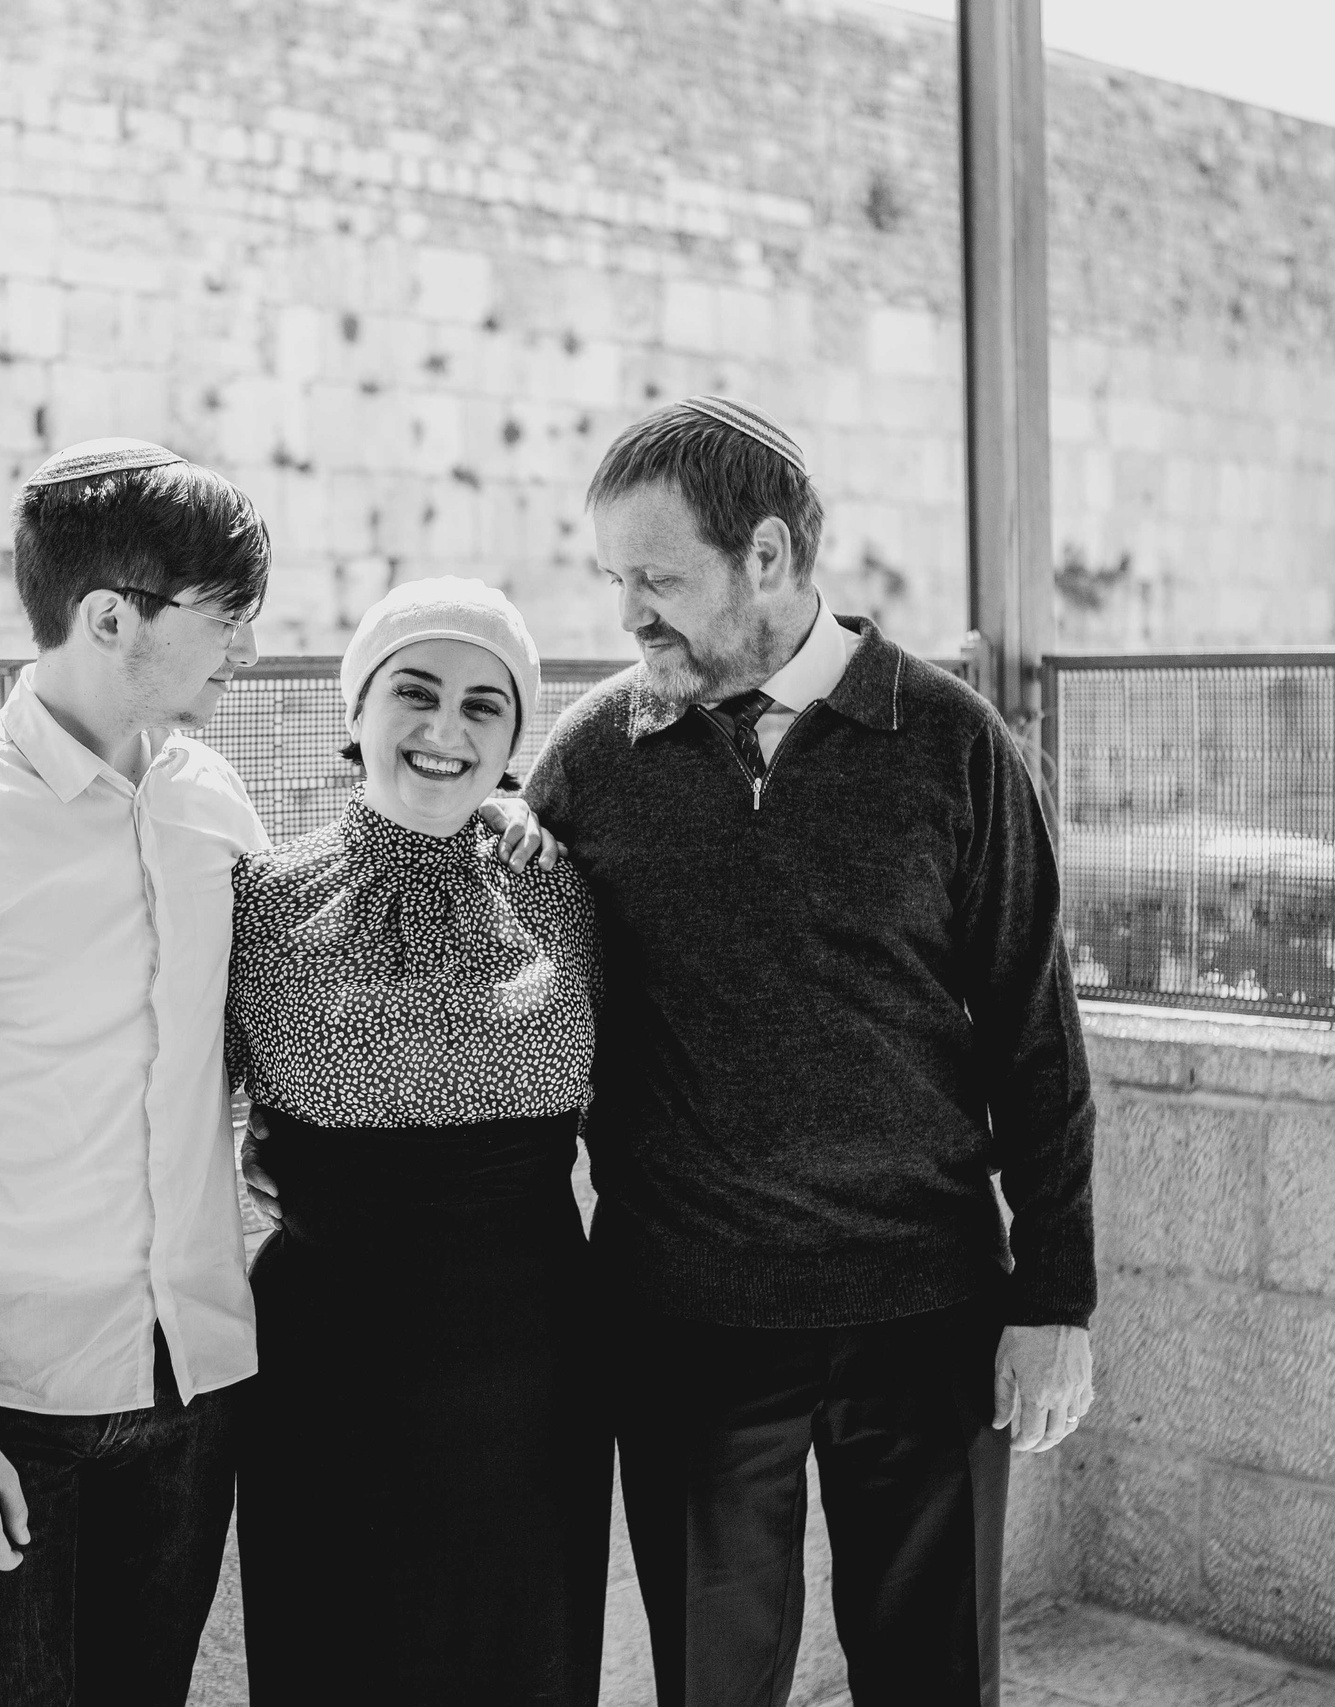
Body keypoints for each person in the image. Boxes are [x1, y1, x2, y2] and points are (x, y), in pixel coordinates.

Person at [519, 397, 1097, 1707]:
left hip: (929, 1311)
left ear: (769, 557)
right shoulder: (592, 756)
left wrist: (1055, 1295)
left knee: (934, 1676)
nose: (629, 615)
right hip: (685, 1326)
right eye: (615, 579)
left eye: (657, 578)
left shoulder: (957, 746)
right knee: (712, 1686)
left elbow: (1035, 1034)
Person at [0, 439, 276, 1707]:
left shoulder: (215, 804)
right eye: (223, 613)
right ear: (109, 616)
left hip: (193, 1392)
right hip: (4, 1408)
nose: (244, 642)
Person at [230, 577, 609, 1706]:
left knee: (522, 1658)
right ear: (356, 711)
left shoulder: (566, 894)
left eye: (484, 707)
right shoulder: (255, 902)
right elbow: (161, 1102)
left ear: (512, 740)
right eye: (415, 692)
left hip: (531, 1369)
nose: (446, 731)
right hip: (324, 1370)